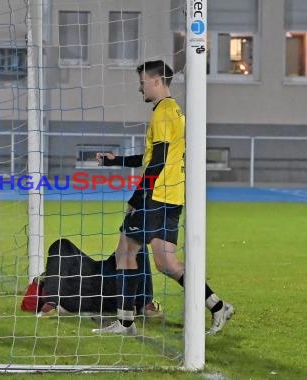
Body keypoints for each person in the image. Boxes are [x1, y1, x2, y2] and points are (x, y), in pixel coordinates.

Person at [93, 60, 234, 335]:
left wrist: (137, 196)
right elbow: (153, 157)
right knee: (166, 263)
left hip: (156, 196)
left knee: (125, 252)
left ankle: (125, 322)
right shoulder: (172, 111)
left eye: (143, 81)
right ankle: (217, 306)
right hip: (172, 195)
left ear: (157, 81)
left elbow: (157, 162)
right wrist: (116, 160)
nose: (140, 86)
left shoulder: (164, 112)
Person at [30, 238, 162, 318]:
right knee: (136, 243)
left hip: (85, 289)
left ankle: (51, 304)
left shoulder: (59, 274)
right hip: (107, 291)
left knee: (61, 245)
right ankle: (145, 304)